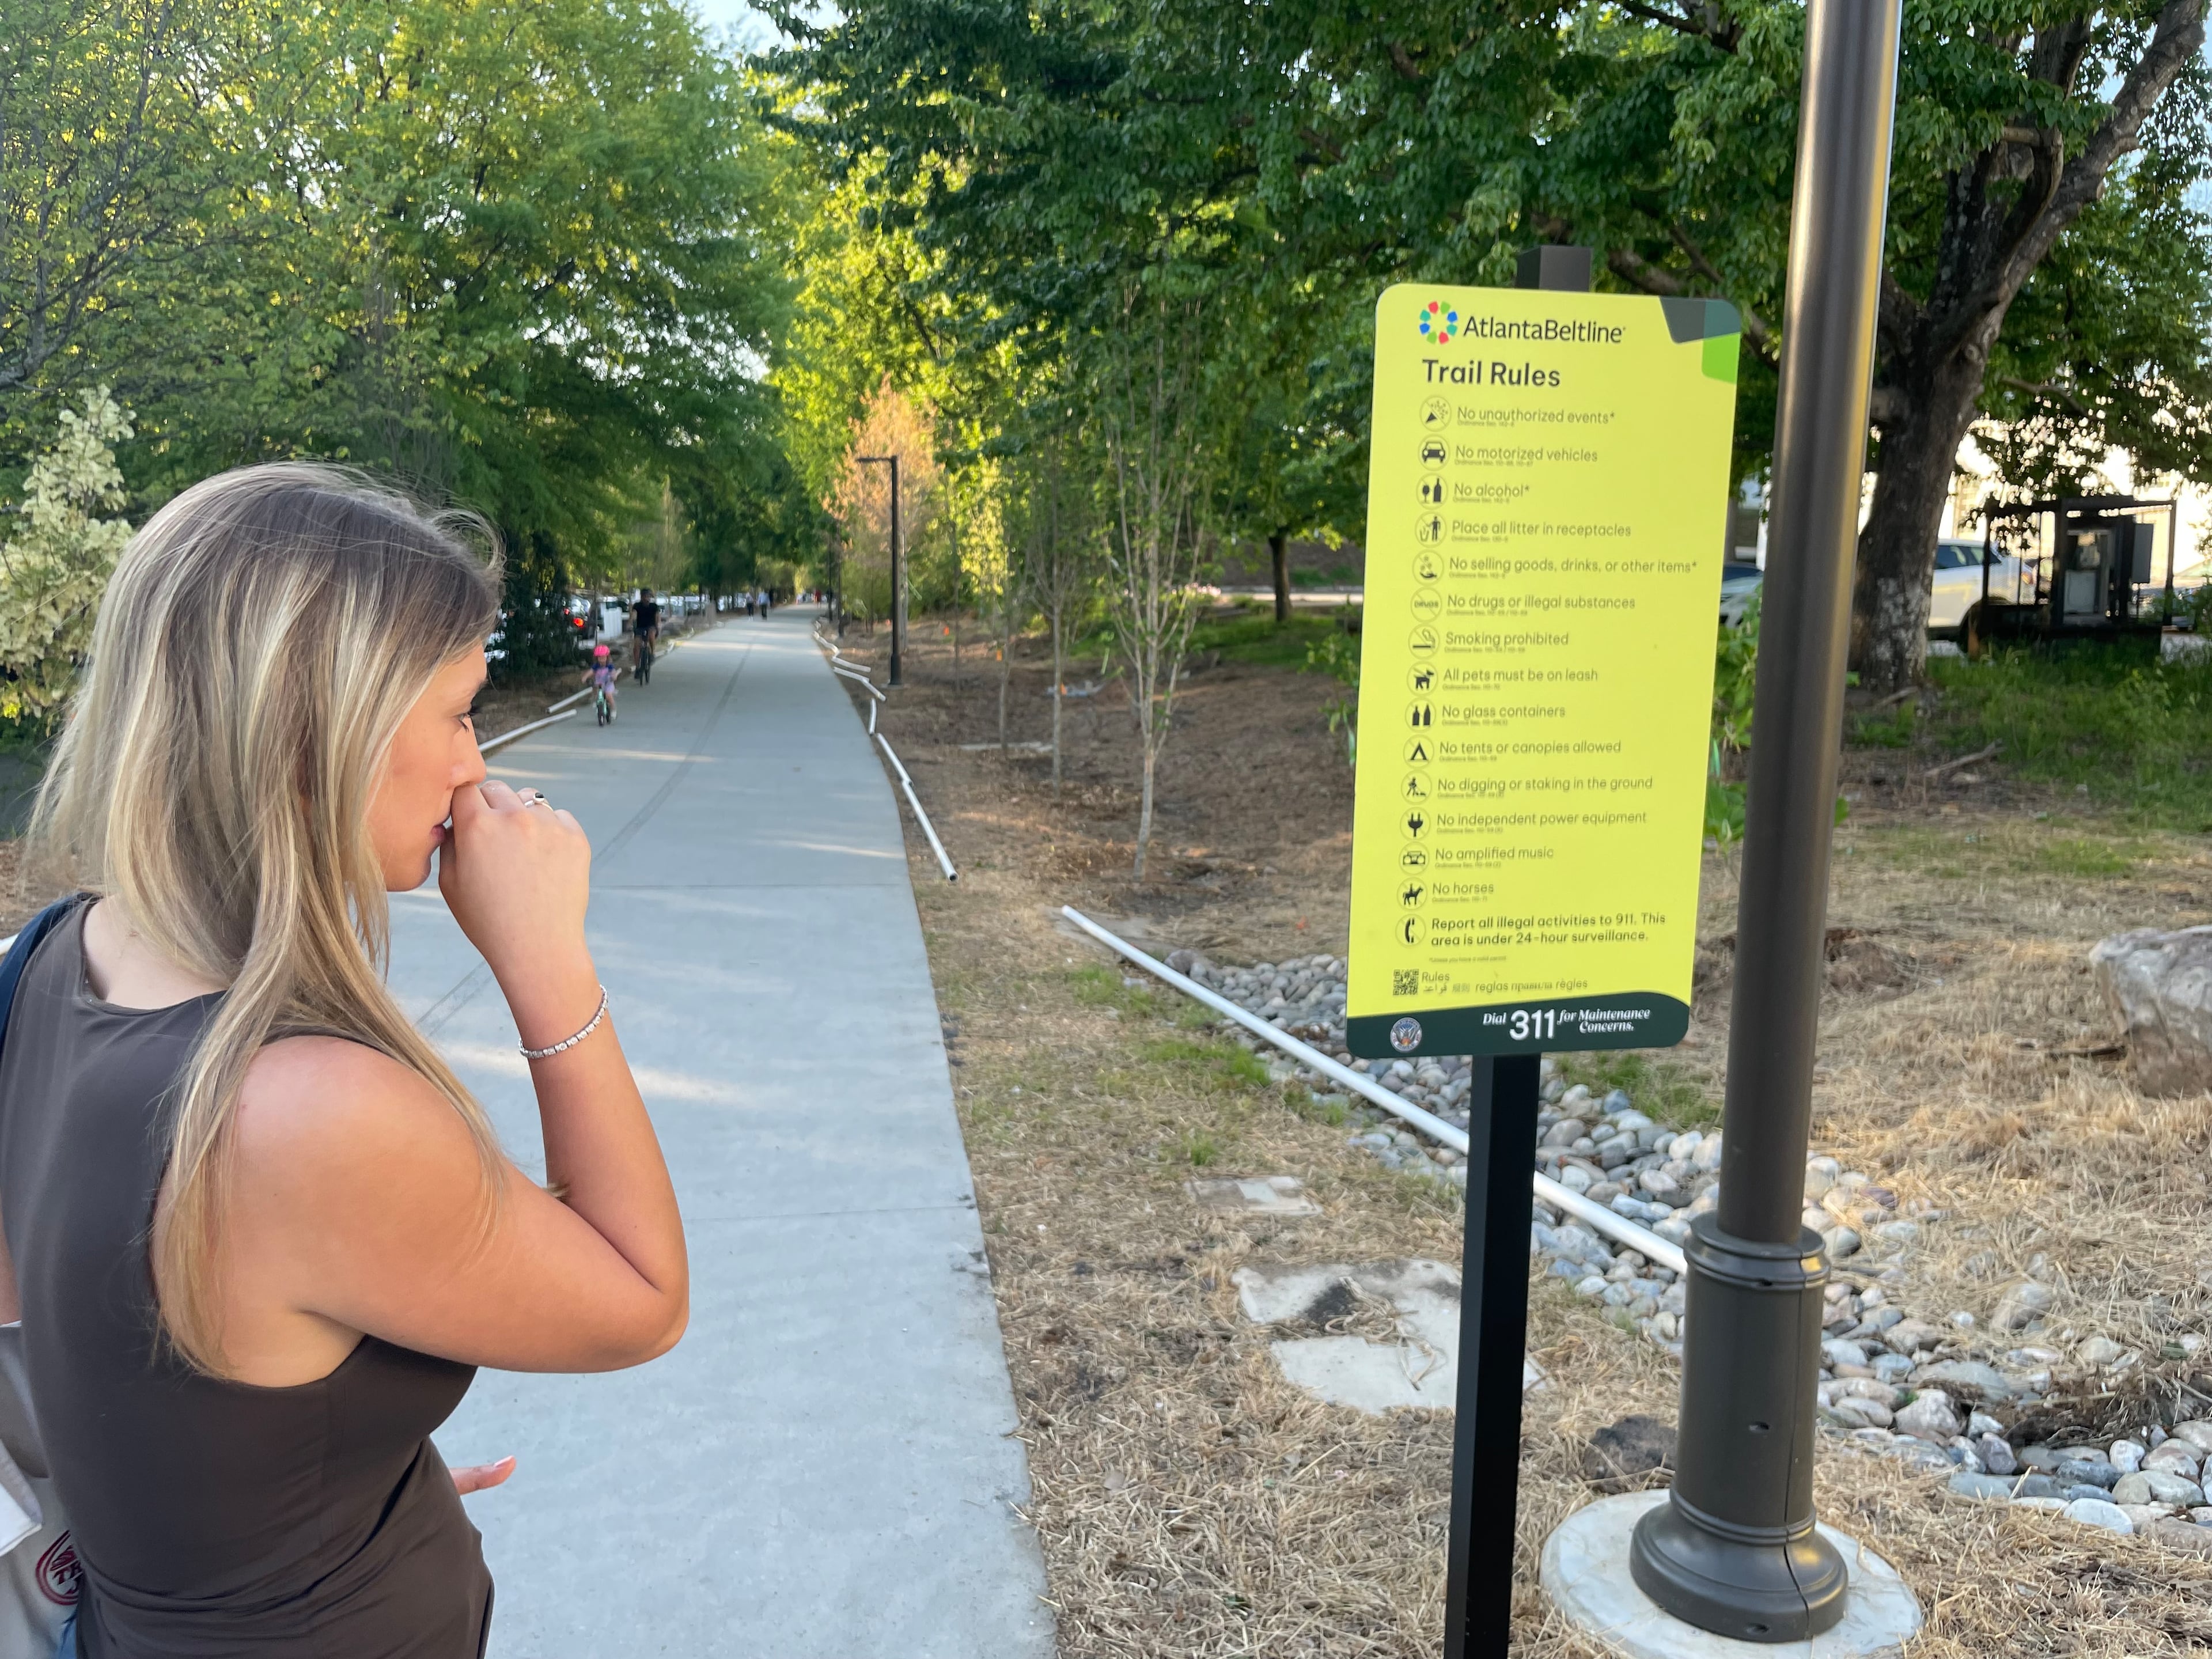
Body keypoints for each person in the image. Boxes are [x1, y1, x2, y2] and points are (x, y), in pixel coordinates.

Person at [3, 463, 688, 1656]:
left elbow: (86, 1346)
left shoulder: (57, 955)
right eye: (459, 713)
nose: (475, 765)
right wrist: (548, 965)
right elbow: (641, 1302)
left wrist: (288, 1500)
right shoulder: (296, 1111)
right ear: (321, 735)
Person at [631, 589, 660, 685]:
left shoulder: (654, 606)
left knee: (651, 635)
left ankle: (652, 653)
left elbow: (657, 617)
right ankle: (638, 668)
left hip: (651, 627)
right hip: (640, 628)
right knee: (636, 647)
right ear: (642, 597)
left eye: (648, 596)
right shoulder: (637, 606)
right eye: (645, 596)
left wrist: (658, 625)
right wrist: (630, 623)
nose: (647, 598)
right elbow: (634, 615)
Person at [586, 641, 618, 725]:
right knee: (595, 689)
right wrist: (585, 677)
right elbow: (591, 672)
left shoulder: (609, 666)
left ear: (607, 658)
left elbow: (613, 673)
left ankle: (613, 709)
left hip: (608, 684)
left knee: (609, 696)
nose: (602, 660)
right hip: (599, 683)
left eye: (604, 658)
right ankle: (596, 700)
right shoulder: (596, 666)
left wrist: (614, 677)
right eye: (599, 658)